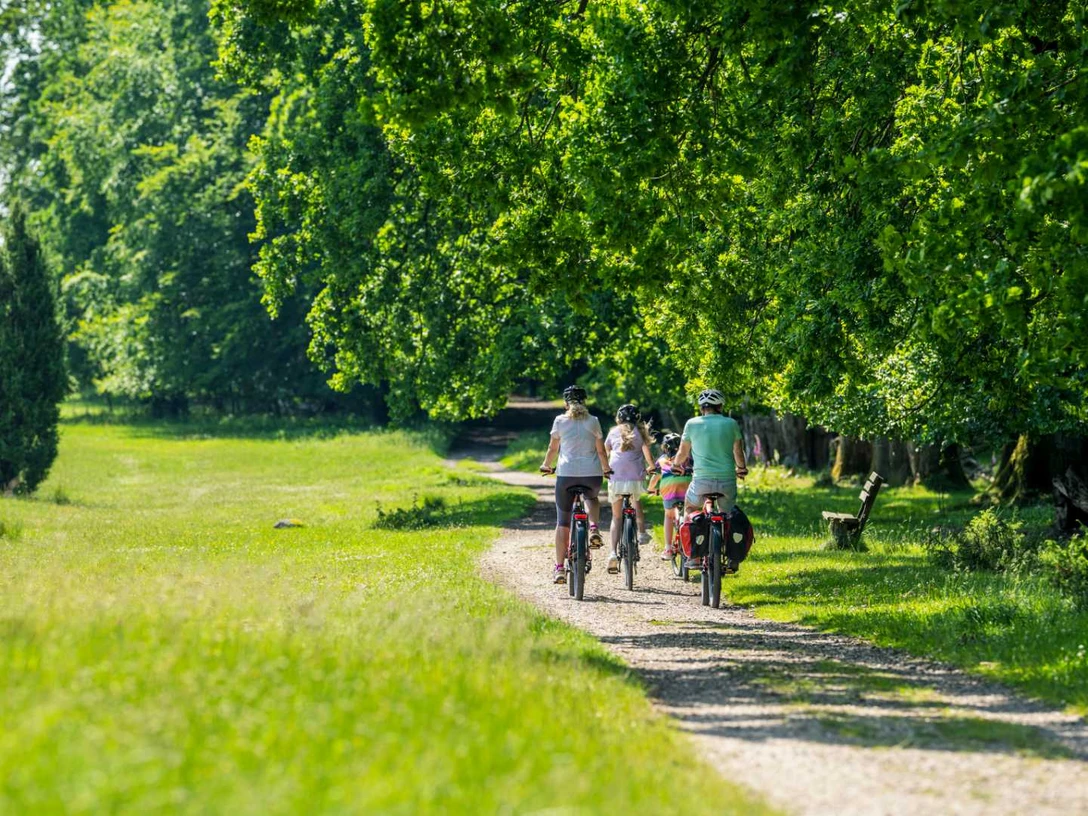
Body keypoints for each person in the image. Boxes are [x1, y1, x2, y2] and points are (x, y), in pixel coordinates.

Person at [540, 385, 612, 584]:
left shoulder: (560, 421)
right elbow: (601, 451)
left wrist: (546, 465)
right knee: (592, 497)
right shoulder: (593, 421)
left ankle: (560, 568)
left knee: (562, 522)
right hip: (592, 475)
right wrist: (606, 469)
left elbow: (553, 448)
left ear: (566, 403)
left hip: (566, 475)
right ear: (585, 401)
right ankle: (594, 527)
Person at [673, 388, 748, 571]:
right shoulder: (731, 423)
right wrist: (741, 468)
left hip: (701, 481)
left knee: (690, 508)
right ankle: (732, 558)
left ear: (702, 408)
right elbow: (738, 451)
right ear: (720, 406)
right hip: (726, 480)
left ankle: (693, 557)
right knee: (728, 515)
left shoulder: (692, 424)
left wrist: (676, 465)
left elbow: (683, 452)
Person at [603, 404, 655, 573]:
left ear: (618, 418)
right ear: (637, 418)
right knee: (636, 502)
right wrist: (652, 466)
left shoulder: (613, 432)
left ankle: (612, 553)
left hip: (616, 476)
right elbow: (647, 454)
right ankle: (641, 532)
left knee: (616, 517)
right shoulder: (640, 433)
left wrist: (605, 468)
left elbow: (606, 450)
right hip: (635, 476)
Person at [646, 432, 692, 560]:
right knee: (689, 514)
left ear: (665, 447)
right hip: (686, 491)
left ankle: (668, 548)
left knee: (669, 515)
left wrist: (650, 489)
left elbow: (655, 477)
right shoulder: (687, 458)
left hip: (669, 492)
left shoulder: (661, 460)